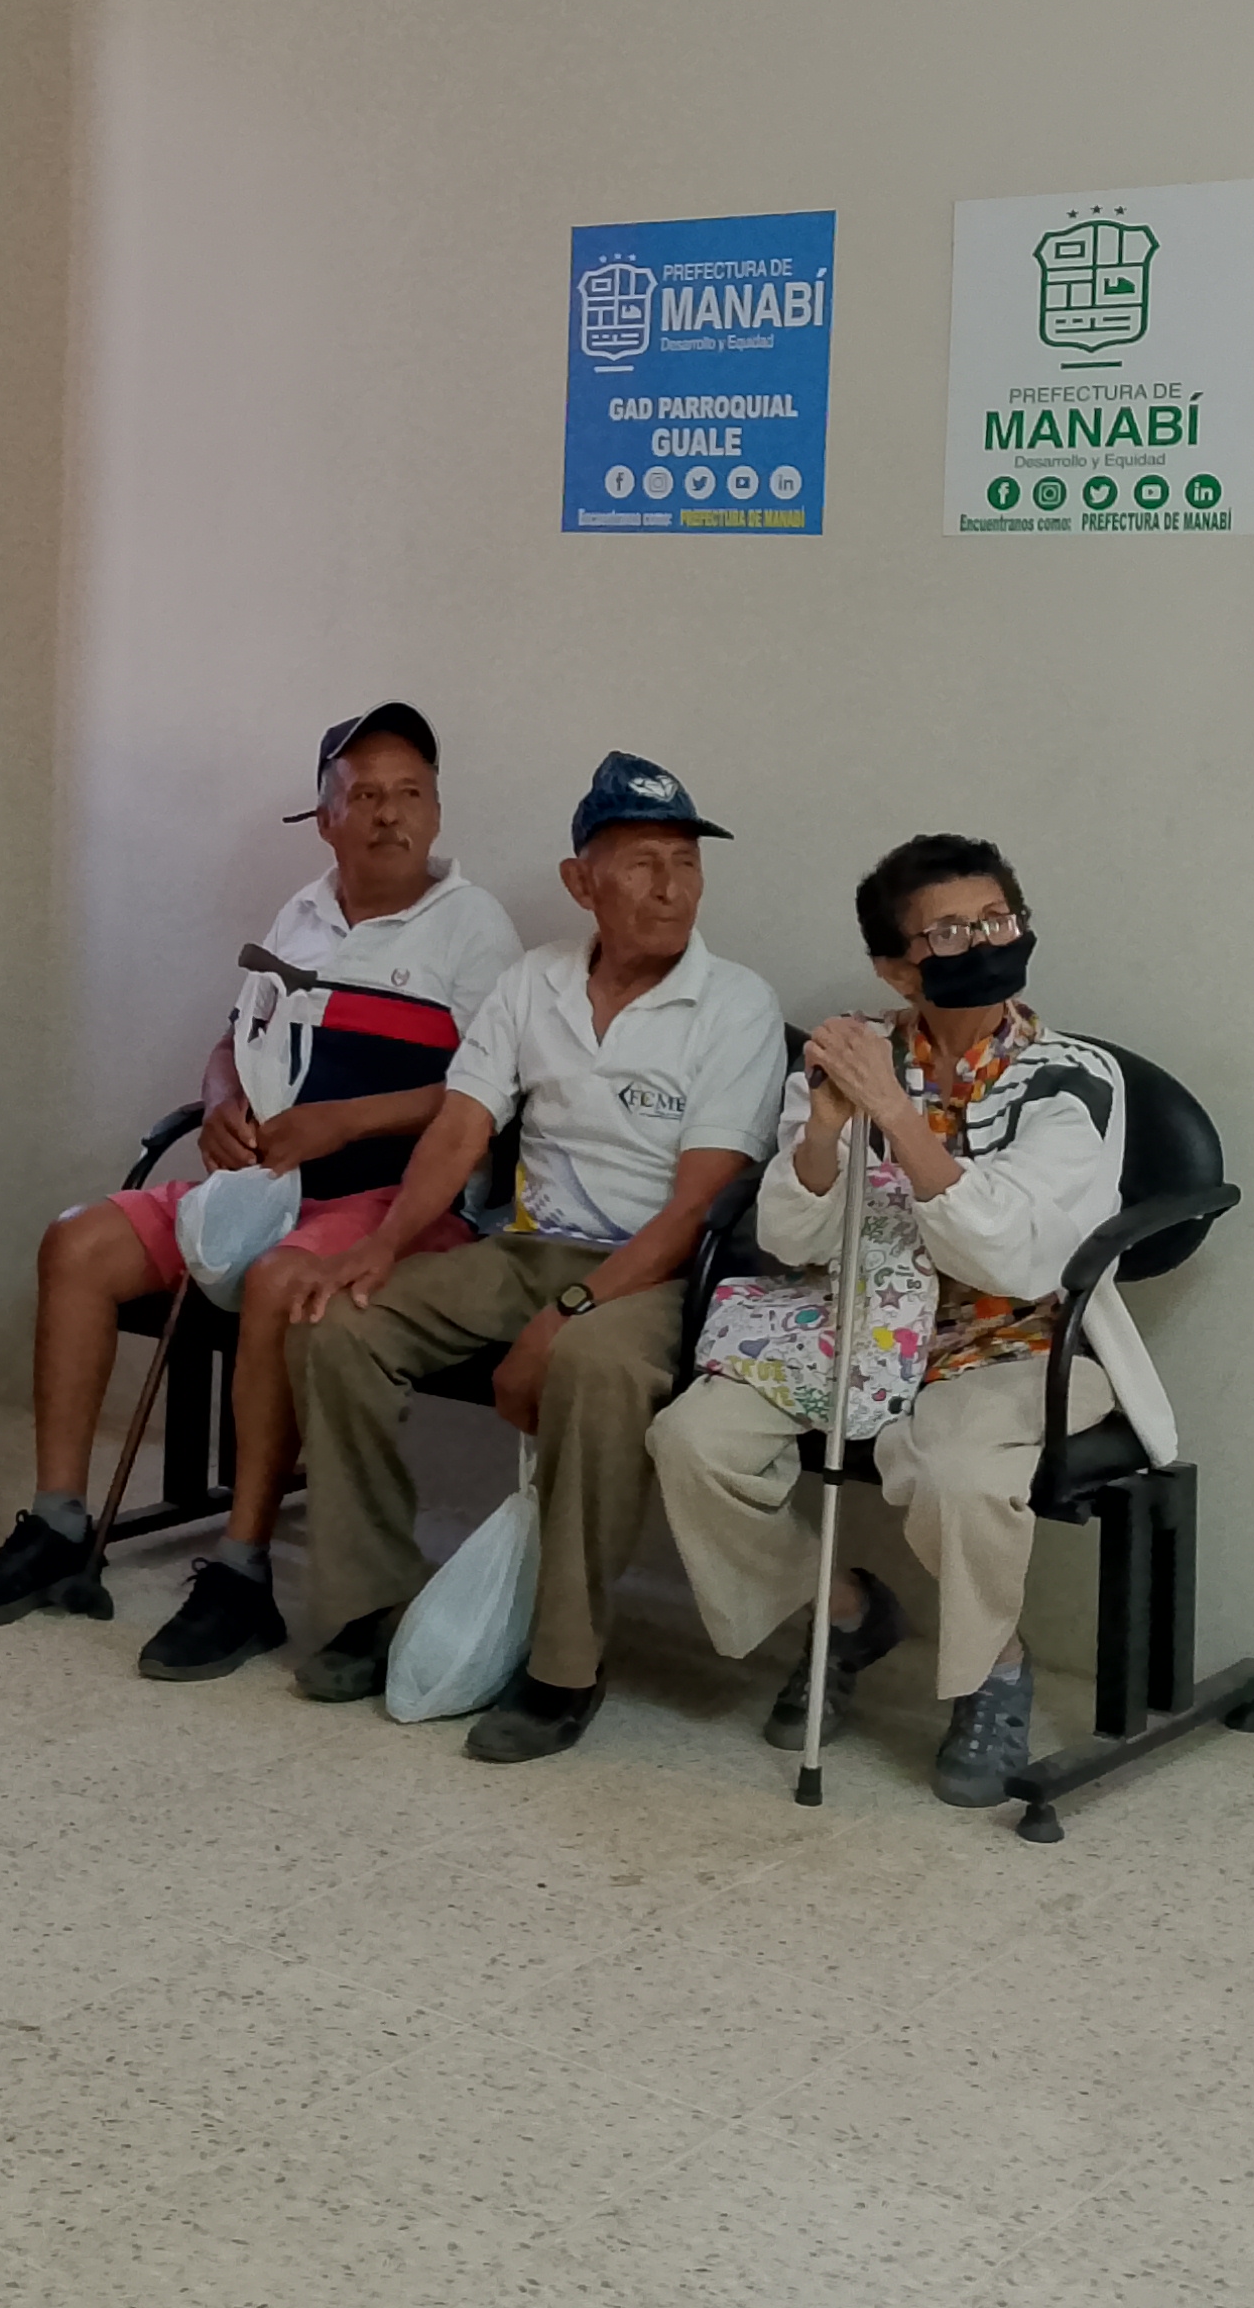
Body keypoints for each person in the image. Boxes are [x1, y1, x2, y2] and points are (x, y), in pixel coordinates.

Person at [0, 704, 525, 1674]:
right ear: (324, 818)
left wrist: (345, 1121)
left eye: (409, 794)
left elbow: (484, 1097)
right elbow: (233, 1039)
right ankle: (57, 1524)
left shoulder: (475, 928)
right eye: (364, 796)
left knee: (277, 1283)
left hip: (392, 1207)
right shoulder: (300, 913)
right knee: (76, 1242)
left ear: (435, 809)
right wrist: (219, 1104)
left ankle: (242, 1571)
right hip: (265, 1183)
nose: (388, 815)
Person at [284, 751, 788, 1763]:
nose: (670, 887)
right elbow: (459, 1130)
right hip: (523, 1248)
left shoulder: (735, 1005)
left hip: (653, 1274)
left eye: (685, 863)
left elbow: (697, 1208)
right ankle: (366, 1605)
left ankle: (563, 1665)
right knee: (336, 1321)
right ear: (580, 882)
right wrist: (380, 1247)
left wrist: (569, 1315)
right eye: (641, 863)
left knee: (593, 1367)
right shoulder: (534, 982)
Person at [646, 835, 1143, 1805]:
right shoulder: (856, 1056)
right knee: (693, 1441)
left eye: (996, 920)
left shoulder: (1071, 1075)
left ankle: (994, 1667)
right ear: (895, 967)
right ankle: (841, 1612)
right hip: (855, 1323)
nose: (984, 943)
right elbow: (791, 1236)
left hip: (1011, 1340)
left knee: (957, 1474)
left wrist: (898, 1117)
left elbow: (1011, 1256)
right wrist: (829, 1127)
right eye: (949, 932)